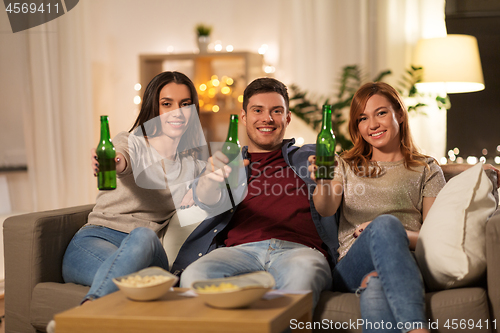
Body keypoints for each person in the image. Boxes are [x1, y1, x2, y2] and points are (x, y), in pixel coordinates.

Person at [175, 77, 338, 308]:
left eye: (276, 111)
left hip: (299, 251)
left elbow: (329, 206)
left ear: (288, 117)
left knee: (303, 277)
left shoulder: (312, 155)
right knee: (194, 277)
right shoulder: (228, 162)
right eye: (257, 110)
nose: (267, 118)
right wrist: (208, 181)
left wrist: (325, 181)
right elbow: (208, 200)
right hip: (239, 251)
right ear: (244, 117)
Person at [309, 81, 444, 332]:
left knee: (376, 286)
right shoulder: (346, 164)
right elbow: (326, 209)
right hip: (352, 263)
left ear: (400, 114)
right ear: (357, 126)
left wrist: (388, 233)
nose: (372, 125)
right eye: (362, 118)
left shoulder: (426, 169)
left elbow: (433, 236)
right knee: (385, 226)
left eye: (381, 113)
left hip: (404, 263)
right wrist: (323, 183)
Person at [61, 71, 206, 304]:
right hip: (94, 240)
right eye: (167, 104)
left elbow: (222, 184)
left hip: (148, 249)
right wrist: (113, 161)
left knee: (143, 235)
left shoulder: (193, 166)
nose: (177, 112)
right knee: (130, 284)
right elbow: (122, 158)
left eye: (185, 104)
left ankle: (81, 318)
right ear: (153, 107)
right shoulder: (131, 143)